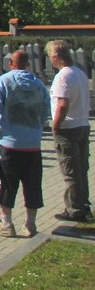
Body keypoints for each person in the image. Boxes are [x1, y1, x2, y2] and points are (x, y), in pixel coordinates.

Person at [0, 49, 50, 238]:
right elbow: (46, 109)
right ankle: (30, 224)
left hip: (10, 142)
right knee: (32, 184)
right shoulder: (38, 84)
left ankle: (6, 223)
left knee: (6, 183)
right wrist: (37, 128)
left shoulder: (3, 81)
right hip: (33, 143)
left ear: (10, 63)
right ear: (27, 64)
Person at [45, 40, 92, 222]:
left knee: (70, 171)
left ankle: (75, 209)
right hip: (82, 124)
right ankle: (83, 203)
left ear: (56, 56)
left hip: (68, 128)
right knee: (81, 169)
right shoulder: (79, 73)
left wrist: (55, 125)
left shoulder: (62, 76)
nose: (50, 60)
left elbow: (62, 104)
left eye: (50, 56)